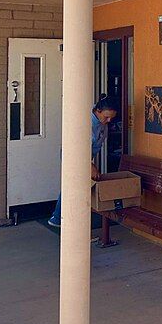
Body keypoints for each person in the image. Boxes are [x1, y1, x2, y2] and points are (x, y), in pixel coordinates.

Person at [47, 95, 119, 228]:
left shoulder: (101, 123)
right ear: (98, 111)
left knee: (77, 185)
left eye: (111, 118)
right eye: (106, 117)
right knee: (73, 185)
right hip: (74, 155)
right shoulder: (85, 123)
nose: (108, 120)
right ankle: (59, 218)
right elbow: (78, 148)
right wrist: (89, 165)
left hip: (87, 155)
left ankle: (62, 217)